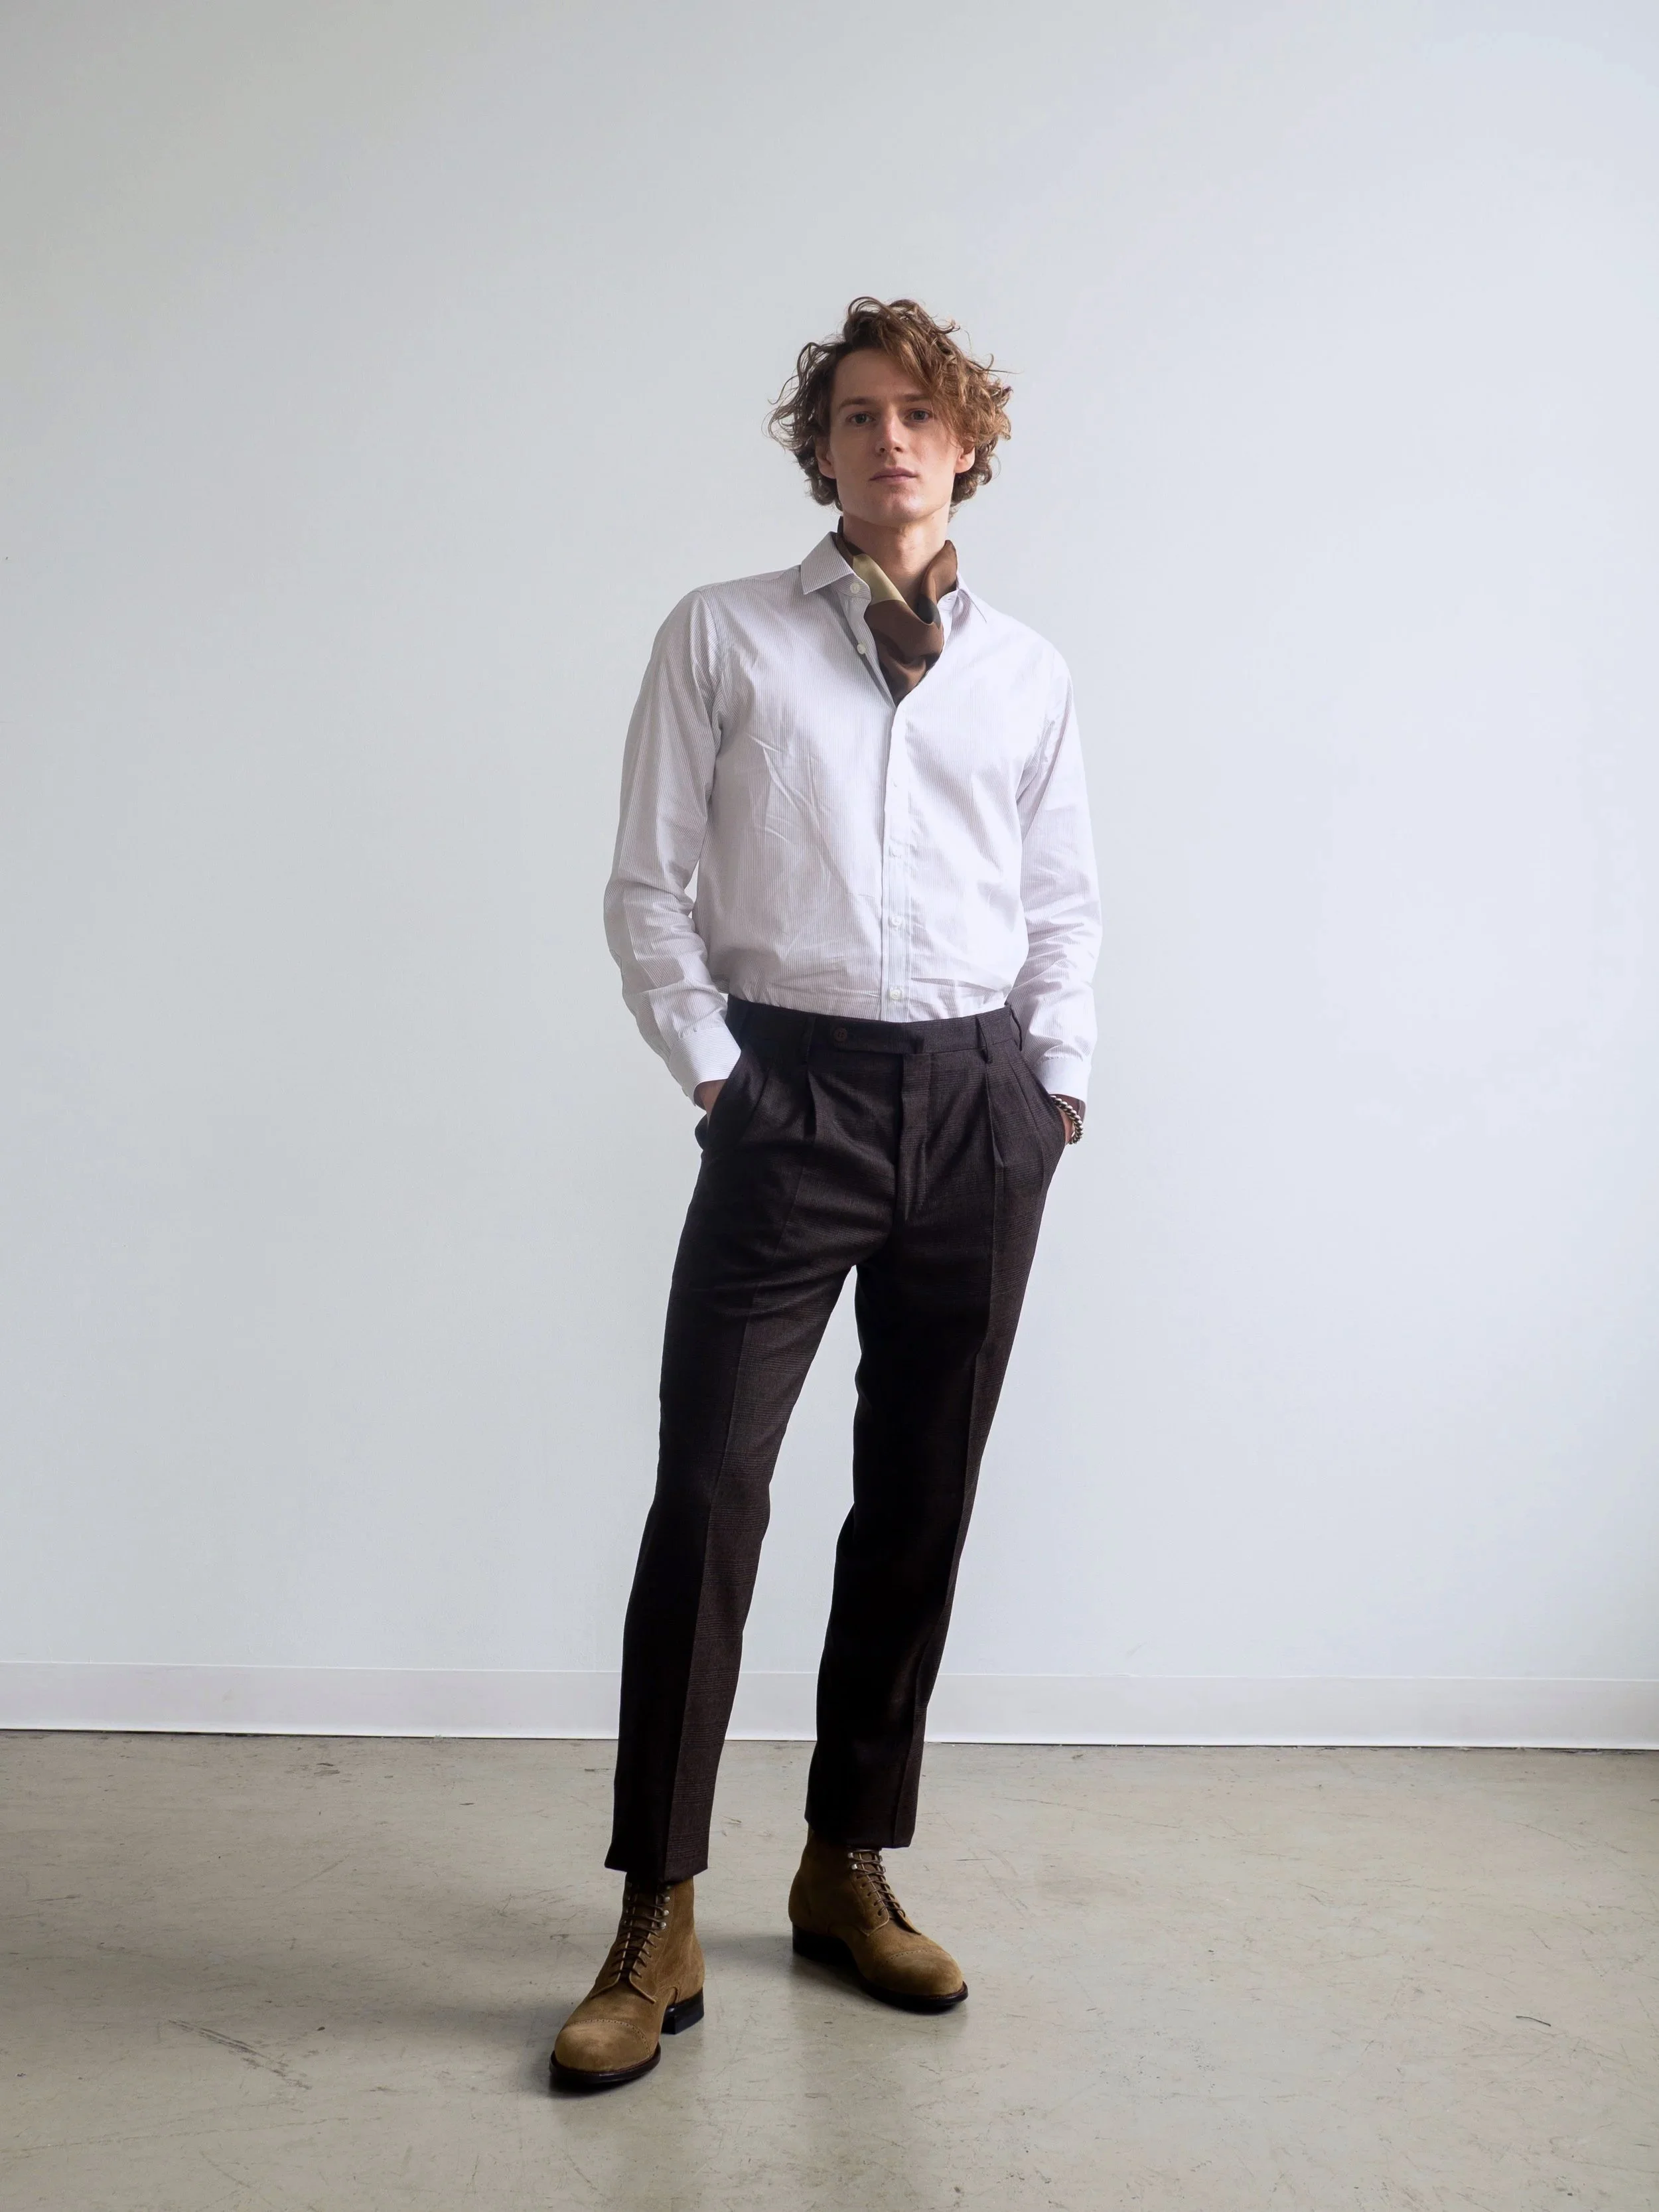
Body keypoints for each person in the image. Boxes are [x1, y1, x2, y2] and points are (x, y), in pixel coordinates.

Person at [551, 297, 1100, 2090]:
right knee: (710, 1496)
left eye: (920, 414)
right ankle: (655, 1910)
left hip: (978, 1107)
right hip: (790, 1095)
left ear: (967, 446)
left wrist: (1054, 1087)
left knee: (919, 1499)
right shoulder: (724, 635)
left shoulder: (1025, 671)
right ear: (822, 450)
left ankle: (845, 1864)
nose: (890, 440)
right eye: (858, 415)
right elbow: (647, 881)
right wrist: (720, 1069)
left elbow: (1061, 900)